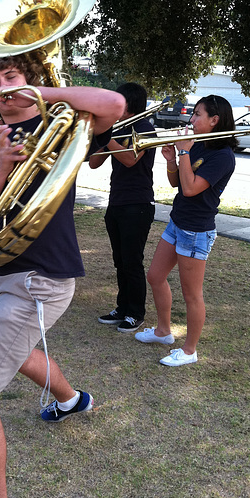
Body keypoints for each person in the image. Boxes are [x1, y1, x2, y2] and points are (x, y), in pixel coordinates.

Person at [0, 55, 125, 498]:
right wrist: (1, 166)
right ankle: (72, 400)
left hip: (39, 280)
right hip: (7, 276)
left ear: (30, 79)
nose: (2, 88)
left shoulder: (64, 119)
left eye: (11, 77)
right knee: (16, 353)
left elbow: (114, 102)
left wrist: (44, 95)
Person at [135, 94, 237, 366]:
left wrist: (183, 150)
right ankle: (163, 332)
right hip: (178, 221)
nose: (191, 120)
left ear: (215, 120)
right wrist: (171, 159)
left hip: (196, 230)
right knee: (155, 276)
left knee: (192, 294)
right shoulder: (198, 145)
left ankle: (190, 351)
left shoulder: (222, 156)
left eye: (197, 115)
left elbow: (192, 189)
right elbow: (177, 183)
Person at [89, 82, 155, 332]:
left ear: (129, 105)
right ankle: (123, 307)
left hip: (138, 204)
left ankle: (136, 312)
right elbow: (94, 164)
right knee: (120, 260)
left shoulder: (145, 128)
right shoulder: (117, 129)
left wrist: (108, 138)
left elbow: (130, 159)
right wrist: (102, 139)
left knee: (132, 261)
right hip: (116, 202)